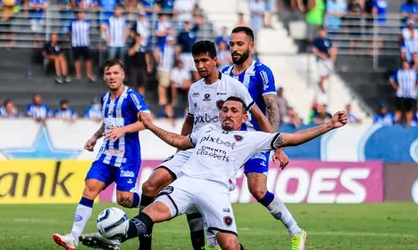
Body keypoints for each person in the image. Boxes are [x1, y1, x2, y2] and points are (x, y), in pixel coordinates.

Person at [88, 98, 347, 250]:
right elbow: (179, 142)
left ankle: (117, 234)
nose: (228, 114)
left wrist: (329, 125)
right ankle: (118, 235)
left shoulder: (252, 138)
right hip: (187, 183)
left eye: (234, 111)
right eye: (225, 110)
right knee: (151, 213)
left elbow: (291, 138)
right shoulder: (207, 130)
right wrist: (151, 126)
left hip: (216, 191)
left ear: (244, 117)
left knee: (229, 246)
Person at [119, 40, 279, 250]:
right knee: (150, 186)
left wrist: (276, 147)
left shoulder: (233, 85)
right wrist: (179, 150)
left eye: (204, 60)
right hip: (191, 147)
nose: (200, 65)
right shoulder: (194, 89)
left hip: (214, 152)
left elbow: (258, 115)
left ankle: (199, 246)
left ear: (215, 60)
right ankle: (145, 245)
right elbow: (190, 119)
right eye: (196, 61)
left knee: (194, 200)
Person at [221, 26, 306, 248]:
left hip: (256, 139)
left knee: (258, 190)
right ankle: (214, 242)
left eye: (240, 44)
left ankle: (297, 232)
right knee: (216, 186)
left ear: (251, 46)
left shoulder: (261, 72)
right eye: (232, 44)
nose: (235, 48)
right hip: (228, 140)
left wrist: (276, 146)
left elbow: (272, 108)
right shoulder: (225, 74)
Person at [53, 59, 150, 250]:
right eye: (108, 73)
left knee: (124, 199)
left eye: (115, 73)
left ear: (122, 74)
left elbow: (147, 121)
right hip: (106, 154)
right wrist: (95, 137)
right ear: (104, 76)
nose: (112, 77)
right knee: (90, 188)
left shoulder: (132, 97)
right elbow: (108, 123)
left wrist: (123, 130)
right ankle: (73, 237)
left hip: (127, 156)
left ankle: (151, 199)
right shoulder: (105, 98)